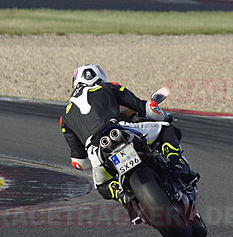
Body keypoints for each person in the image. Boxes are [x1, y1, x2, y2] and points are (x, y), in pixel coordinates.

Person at [60, 64, 198, 215]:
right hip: (118, 131)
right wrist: (164, 117)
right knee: (167, 129)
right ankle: (177, 164)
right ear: (100, 76)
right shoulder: (108, 87)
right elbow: (146, 108)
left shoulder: (65, 117)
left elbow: (79, 163)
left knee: (102, 185)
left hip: (97, 151)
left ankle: (121, 195)